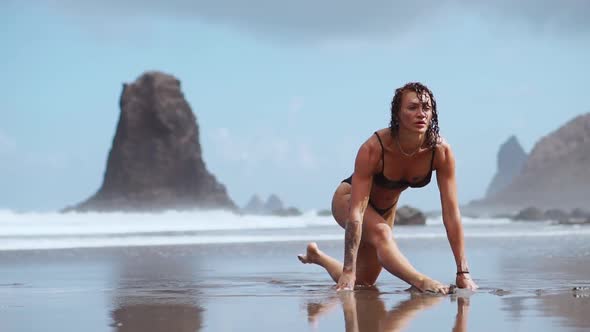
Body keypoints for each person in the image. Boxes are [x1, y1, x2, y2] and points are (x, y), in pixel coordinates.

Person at [298, 82, 478, 293]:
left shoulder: (440, 151)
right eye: (412, 108)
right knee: (381, 234)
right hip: (349, 199)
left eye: (426, 108)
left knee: (364, 281)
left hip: (386, 208)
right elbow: (357, 212)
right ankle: (421, 282)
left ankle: (317, 257)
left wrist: (462, 272)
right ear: (398, 113)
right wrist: (348, 268)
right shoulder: (374, 148)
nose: (421, 114)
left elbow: (451, 213)